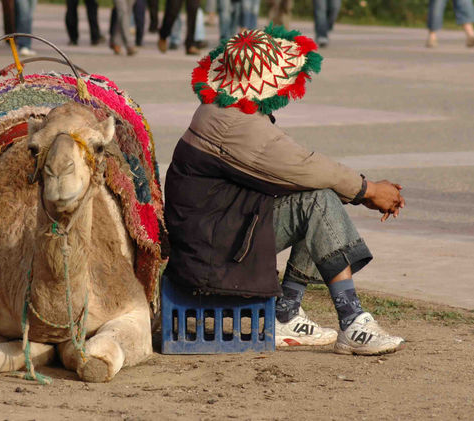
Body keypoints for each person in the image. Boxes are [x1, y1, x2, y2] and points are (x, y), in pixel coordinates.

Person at [164, 27, 406, 355]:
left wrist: (364, 189)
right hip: (209, 256)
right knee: (318, 200)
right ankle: (352, 320)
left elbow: (303, 169)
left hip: (215, 236)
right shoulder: (235, 124)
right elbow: (307, 166)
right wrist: (369, 190)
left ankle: (285, 313)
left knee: (316, 194)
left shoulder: (223, 110)